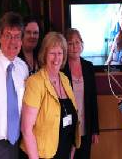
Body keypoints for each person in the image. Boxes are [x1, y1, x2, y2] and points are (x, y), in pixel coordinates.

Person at [20, 32, 81, 159]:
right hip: (42, 155)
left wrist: (72, 149)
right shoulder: (35, 82)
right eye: (52, 53)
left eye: (60, 53)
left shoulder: (64, 79)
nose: (56, 58)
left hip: (65, 152)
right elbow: (26, 130)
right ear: (44, 55)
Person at [0, 12, 29, 159]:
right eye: (8, 35)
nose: (13, 41)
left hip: (19, 144)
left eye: (17, 36)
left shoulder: (23, 68)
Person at [63, 28, 99, 159]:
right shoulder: (61, 68)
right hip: (67, 129)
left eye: (77, 42)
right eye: (70, 43)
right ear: (65, 46)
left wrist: (95, 130)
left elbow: (93, 100)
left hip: (86, 126)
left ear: (82, 44)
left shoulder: (88, 67)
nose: (74, 47)